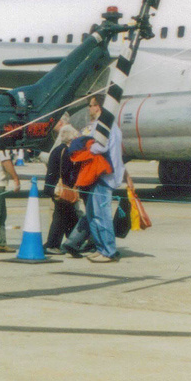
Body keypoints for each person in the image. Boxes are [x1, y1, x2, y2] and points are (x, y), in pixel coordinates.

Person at [65, 94, 124, 263]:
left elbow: (100, 147)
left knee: (101, 215)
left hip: (103, 176)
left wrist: (86, 147)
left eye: (91, 106)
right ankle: (101, 247)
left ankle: (109, 250)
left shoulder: (104, 126)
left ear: (98, 107)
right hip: (99, 175)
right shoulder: (103, 125)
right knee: (93, 214)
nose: (89, 109)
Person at [44, 124, 81, 256]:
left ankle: (71, 243)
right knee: (61, 217)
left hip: (53, 187)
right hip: (61, 189)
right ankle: (53, 244)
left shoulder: (58, 150)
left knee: (68, 216)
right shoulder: (66, 152)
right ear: (71, 140)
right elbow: (65, 172)